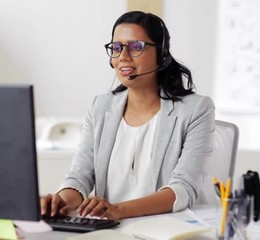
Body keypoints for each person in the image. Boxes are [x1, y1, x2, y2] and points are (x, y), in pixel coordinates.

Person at [41, 11, 215, 220]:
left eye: (135, 47)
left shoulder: (196, 109)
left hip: (165, 228)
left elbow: (183, 188)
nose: (123, 56)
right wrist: (60, 201)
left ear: (161, 55)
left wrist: (118, 210)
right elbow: (80, 176)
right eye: (116, 48)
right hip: (109, 229)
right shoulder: (100, 107)